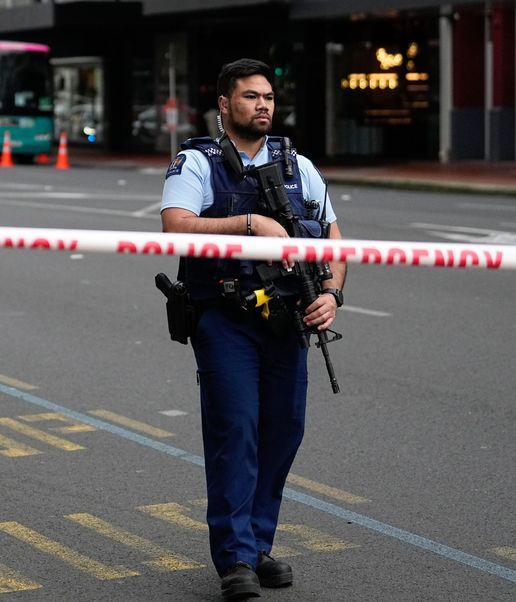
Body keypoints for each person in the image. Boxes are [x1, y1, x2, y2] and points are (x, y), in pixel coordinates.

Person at [160, 58, 346, 600]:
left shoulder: (298, 165)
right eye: (249, 96)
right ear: (224, 105)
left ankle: (258, 544)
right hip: (225, 318)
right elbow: (176, 226)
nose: (262, 104)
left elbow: (335, 240)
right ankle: (236, 557)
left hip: (288, 319)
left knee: (283, 431)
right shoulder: (197, 161)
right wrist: (249, 224)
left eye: (267, 96)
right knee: (236, 431)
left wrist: (331, 296)